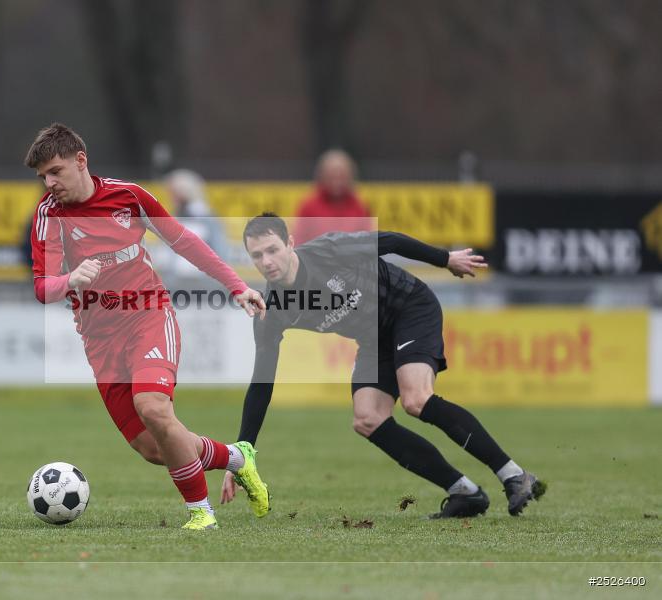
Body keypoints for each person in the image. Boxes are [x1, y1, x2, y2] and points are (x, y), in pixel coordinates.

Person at [24, 123, 269, 530]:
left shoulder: (129, 196)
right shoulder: (49, 216)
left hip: (149, 316)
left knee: (153, 407)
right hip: (100, 339)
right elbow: (42, 287)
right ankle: (237, 457)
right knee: (156, 448)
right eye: (42, 177)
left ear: (80, 160)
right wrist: (71, 280)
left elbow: (184, 241)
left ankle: (200, 514)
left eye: (55, 172)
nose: (49, 183)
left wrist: (237, 285)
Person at [223, 213, 547, 519]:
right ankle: (464, 492)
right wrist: (242, 456)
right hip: (374, 337)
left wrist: (445, 260)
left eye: (272, 250)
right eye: (256, 256)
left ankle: (514, 475)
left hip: (409, 307)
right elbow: (262, 383)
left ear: (290, 243)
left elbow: (390, 241)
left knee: (416, 400)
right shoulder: (270, 310)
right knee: (368, 419)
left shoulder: (328, 251)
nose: (266, 262)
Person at [292, 149, 372, 245]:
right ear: (322, 176)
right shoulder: (309, 206)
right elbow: (298, 241)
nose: (337, 182)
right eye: (332, 176)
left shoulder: (359, 206)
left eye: (341, 176)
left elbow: (368, 244)